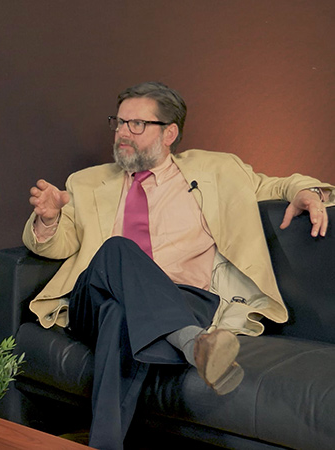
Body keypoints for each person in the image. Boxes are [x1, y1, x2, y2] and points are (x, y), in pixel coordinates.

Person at [23, 81, 333, 450]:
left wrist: (307, 193)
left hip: (186, 298)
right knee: (117, 250)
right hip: (95, 294)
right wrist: (48, 217)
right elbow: (58, 245)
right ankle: (193, 342)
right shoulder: (86, 182)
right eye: (119, 122)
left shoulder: (218, 170)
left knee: (120, 316)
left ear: (169, 133)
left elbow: (279, 185)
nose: (123, 133)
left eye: (136, 124)